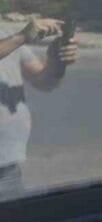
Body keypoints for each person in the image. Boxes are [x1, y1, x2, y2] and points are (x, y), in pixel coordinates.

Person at [0, 17, 79, 197]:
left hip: (9, 168)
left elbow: (44, 82)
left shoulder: (4, 33)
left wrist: (57, 61)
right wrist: (21, 37)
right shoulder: (13, 38)